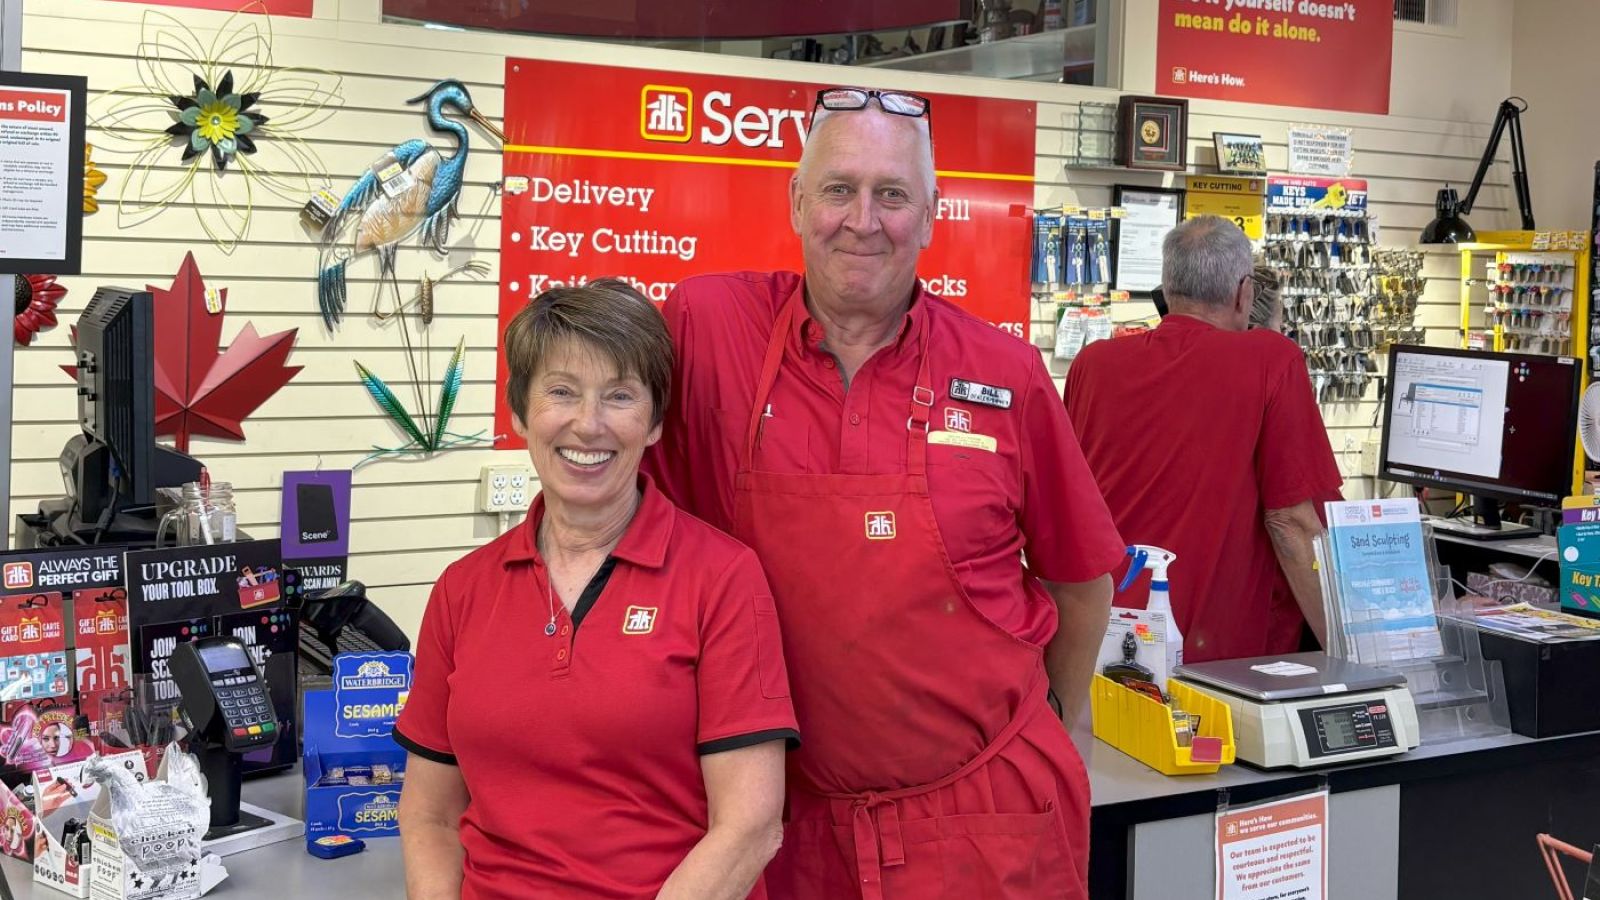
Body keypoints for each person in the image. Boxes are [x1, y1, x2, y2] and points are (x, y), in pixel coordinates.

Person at [646, 87, 1125, 899]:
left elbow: (1081, 582)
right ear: (798, 202)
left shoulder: (1003, 372)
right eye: (838, 189)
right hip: (781, 830)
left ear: (934, 215)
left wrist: (1064, 726)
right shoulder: (707, 327)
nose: (862, 219)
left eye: (892, 195)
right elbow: (594, 427)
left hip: (984, 828)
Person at [396, 281, 799, 900]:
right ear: (519, 412)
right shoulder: (462, 590)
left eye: (619, 396)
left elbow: (749, 827)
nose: (588, 424)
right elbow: (429, 816)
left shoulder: (721, 578)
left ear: (655, 422)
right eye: (561, 392)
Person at [1064, 216, 1343, 662]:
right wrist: (1352, 652)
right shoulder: (1271, 360)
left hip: (1100, 639)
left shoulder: (1092, 366)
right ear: (1242, 292)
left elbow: (1069, 509)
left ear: (1168, 290)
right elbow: (1292, 525)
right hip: (1213, 661)